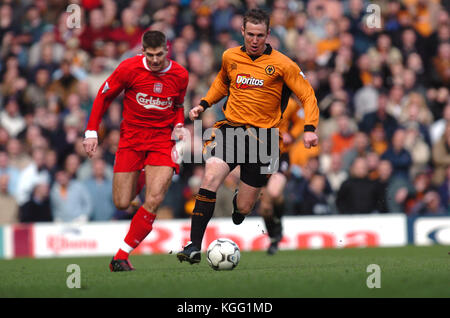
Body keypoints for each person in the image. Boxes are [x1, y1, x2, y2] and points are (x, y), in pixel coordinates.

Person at [177, 8, 319, 264]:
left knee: (244, 207)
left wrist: (309, 128)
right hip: (231, 130)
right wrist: (204, 103)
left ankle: (240, 203)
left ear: (268, 34)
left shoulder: (283, 64)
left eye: (260, 35)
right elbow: (222, 82)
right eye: (250, 34)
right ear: (242, 32)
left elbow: (307, 95)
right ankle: (194, 246)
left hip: (263, 139)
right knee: (210, 176)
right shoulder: (230, 56)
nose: (255, 40)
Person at [83, 30, 189, 271]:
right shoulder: (128, 69)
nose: (154, 60)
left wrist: (180, 125)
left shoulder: (180, 75)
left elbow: (179, 105)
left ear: (167, 50)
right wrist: (91, 132)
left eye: (159, 54)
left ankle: (121, 255)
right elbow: (103, 96)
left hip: (162, 141)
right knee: (121, 202)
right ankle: (142, 177)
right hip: (131, 140)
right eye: (150, 55)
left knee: (154, 199)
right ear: (143, 51)